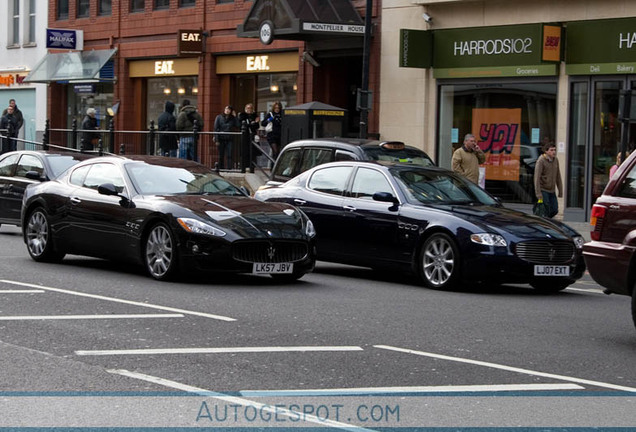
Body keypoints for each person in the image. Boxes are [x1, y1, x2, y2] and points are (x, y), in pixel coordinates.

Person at [534, 142, 563, 218]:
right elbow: (537, 177)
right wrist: (538, 193)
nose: (554, 152)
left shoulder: (555, 160)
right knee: (545, 209)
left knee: (554, 209)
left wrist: (560, 190)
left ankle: (546, 220)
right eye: (551, 150)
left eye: (555, 150)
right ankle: (545, 222)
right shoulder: (541, 161)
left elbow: (558, 176)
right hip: (544, 189)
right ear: (546, 151)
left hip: (552, 190)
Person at [213, 105, 240, 169]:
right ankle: (221, 168)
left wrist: (235, 117)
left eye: (229, 109)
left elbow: (238, 125)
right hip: (221, 138)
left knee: (229, 154)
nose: (227, 110)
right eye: (226, 109)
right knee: (221, 155)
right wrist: (216, 139)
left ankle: (229, 168)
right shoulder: (219, 117)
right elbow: (216, 128)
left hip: (229, 138)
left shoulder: (232, 118)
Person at [237, 103, 260, 171]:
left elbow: (257, 126)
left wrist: (253, 123)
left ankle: (251, 167)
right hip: (245, 136)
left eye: (250, 108)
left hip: (252, 136)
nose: (249, 110)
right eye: (248, 108)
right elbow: (241, 125)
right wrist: (252, 124)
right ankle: (243, 167)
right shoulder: (242, 115)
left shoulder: (255, 115)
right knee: (244, 152)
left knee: (252, 152)